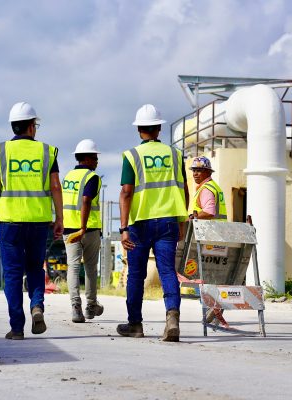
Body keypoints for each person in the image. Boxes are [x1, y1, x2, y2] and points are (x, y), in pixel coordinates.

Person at [0, 101, 63, 340]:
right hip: (38, 221)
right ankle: (37, 306)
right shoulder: (47, 151)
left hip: (9, 222)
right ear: (31, 126)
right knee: (36, 268)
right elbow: (56, 186)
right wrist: (59, 217)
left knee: (13, 275)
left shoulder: (1, 151)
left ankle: (17, 327)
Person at [117, 104, 189, 342]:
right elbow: (184, 188)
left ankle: (135, 325)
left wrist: (124, 228)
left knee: (136, 275)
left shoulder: (132, 156)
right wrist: (182, 220)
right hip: (168, 220)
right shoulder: (176, 154)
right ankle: (172, 319)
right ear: (159, 127)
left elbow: (126, 193)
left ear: (139, 130)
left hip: (139, 224)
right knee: (168, 270)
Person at [62, 139, 104, 323]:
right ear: (86, 158)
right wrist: (83, 227)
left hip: (69, 229)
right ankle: (90, 305)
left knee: (73, 267)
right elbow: (86, 201)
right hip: (88, 229)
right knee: (90, 268)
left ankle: (75, 307)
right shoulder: (91, 177)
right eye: (95, 157)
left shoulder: (68, 177)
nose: (97, 161)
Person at [188, 156, 228, 324]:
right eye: (194, 170)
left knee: (205, 275)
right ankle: (215, 309)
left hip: (210, 236)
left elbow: (210, 211)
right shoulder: (213, 186)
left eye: (199, 170)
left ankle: (213, 308)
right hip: (219, 235)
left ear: (207, 172)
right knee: (214, 276)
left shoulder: (206, 189)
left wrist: (192, 217)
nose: (195, 174)